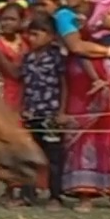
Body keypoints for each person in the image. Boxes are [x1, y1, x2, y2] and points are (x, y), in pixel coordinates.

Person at [54, 0, 110, 210]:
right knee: (83, 135)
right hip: (80, 82)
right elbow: (76, 46)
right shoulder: (64, 16)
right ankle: (85, 193)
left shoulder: (102, 10)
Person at [18, 12, 67, 207]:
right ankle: (27, 194)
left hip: (51, 114)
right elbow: (25, 84)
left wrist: (62, 111)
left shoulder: (57, 57)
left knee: (53, 156)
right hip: (31, 113)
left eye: (37, 34)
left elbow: (64, 84)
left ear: (51, 36)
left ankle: (55, 196)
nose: (32, 38)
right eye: (30, 34)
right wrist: (23, 107)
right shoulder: (28, 58)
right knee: (29, 154)